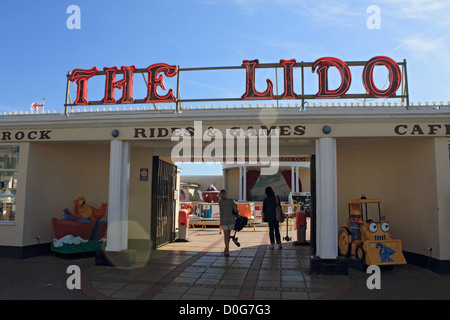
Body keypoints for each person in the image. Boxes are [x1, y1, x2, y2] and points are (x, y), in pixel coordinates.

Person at [218, 189, 238, 256]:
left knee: (226, 236)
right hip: (231, 220)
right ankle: (227, 248)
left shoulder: (220, 202)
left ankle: (227, 248)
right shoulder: (231, 201)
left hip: (224, 221)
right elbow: (235, 210)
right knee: (228, 235)